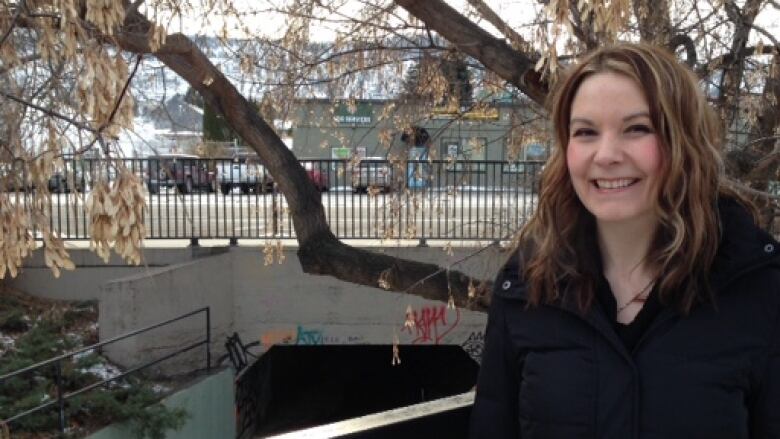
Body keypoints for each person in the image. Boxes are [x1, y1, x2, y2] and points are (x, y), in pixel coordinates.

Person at [470, 43, 780, 438]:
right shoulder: (527, 287)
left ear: (683, 142)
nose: (606, 154)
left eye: (637, 129)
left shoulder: (758, 289)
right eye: (585, 132)